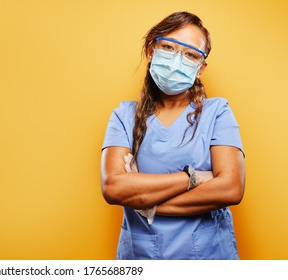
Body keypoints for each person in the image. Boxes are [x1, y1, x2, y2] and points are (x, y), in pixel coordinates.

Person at [100, 11, 245, 260]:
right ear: (151, 51)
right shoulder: (124, 116)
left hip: (208, 257)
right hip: (142, 256)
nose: (177, 60)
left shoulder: (218, 113)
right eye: (168, 47)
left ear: (201, 68)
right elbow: (114, 187)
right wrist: (193, 177)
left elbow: (231, 188)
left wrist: (147, 203)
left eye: (190, 54)